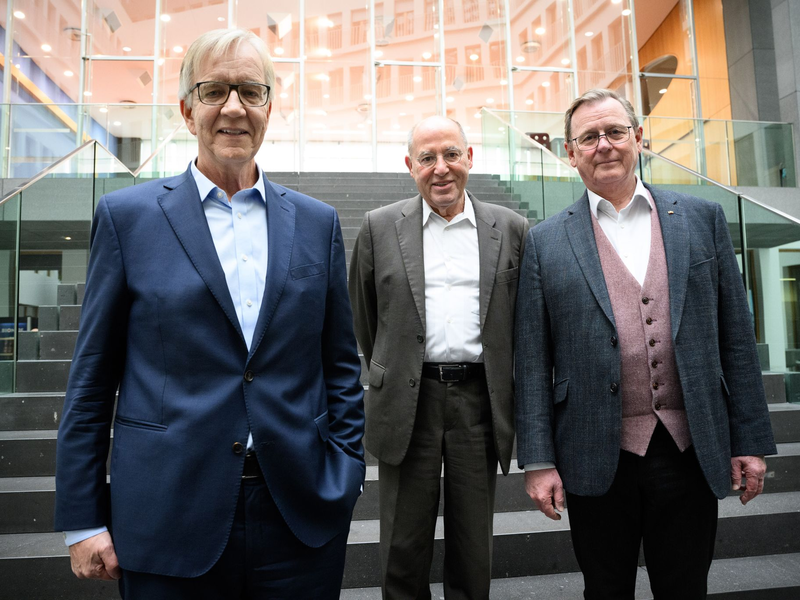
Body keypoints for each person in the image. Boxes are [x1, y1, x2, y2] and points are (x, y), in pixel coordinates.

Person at [54, 28, 365, 599]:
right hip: (167, 513)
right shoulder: (128, 218)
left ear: (269, 107)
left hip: (299, 515)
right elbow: (92, 378)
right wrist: (82, 516)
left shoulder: (316, 223)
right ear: (186, 109)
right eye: (214, 90)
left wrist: (346, 469)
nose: (234, 107)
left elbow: (340, 364)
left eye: (250, 90)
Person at [514, 88, 777, 599]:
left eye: (615, 131)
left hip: (688, 447)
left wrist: (750, 441)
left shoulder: (702, 218)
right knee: (605, 590)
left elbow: (737, 339)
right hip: (592, 451)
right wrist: (538, 460)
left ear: (638, 137)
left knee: (685, 588)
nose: (603, 144)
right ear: (570, 152)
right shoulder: (544, 241)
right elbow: (532, 362)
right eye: (589, 137)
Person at [349, 115, 529, 599]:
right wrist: (397, 366)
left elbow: (522, 319)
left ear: (470, 157)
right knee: (402, 552)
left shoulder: (511, 228)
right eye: (427, 158)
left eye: (451, 154)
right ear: (410, 166)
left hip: (478, 403)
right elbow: (366, 317)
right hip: (408, 401)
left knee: (473, 551)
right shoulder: (379, 227)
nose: (441, 168)